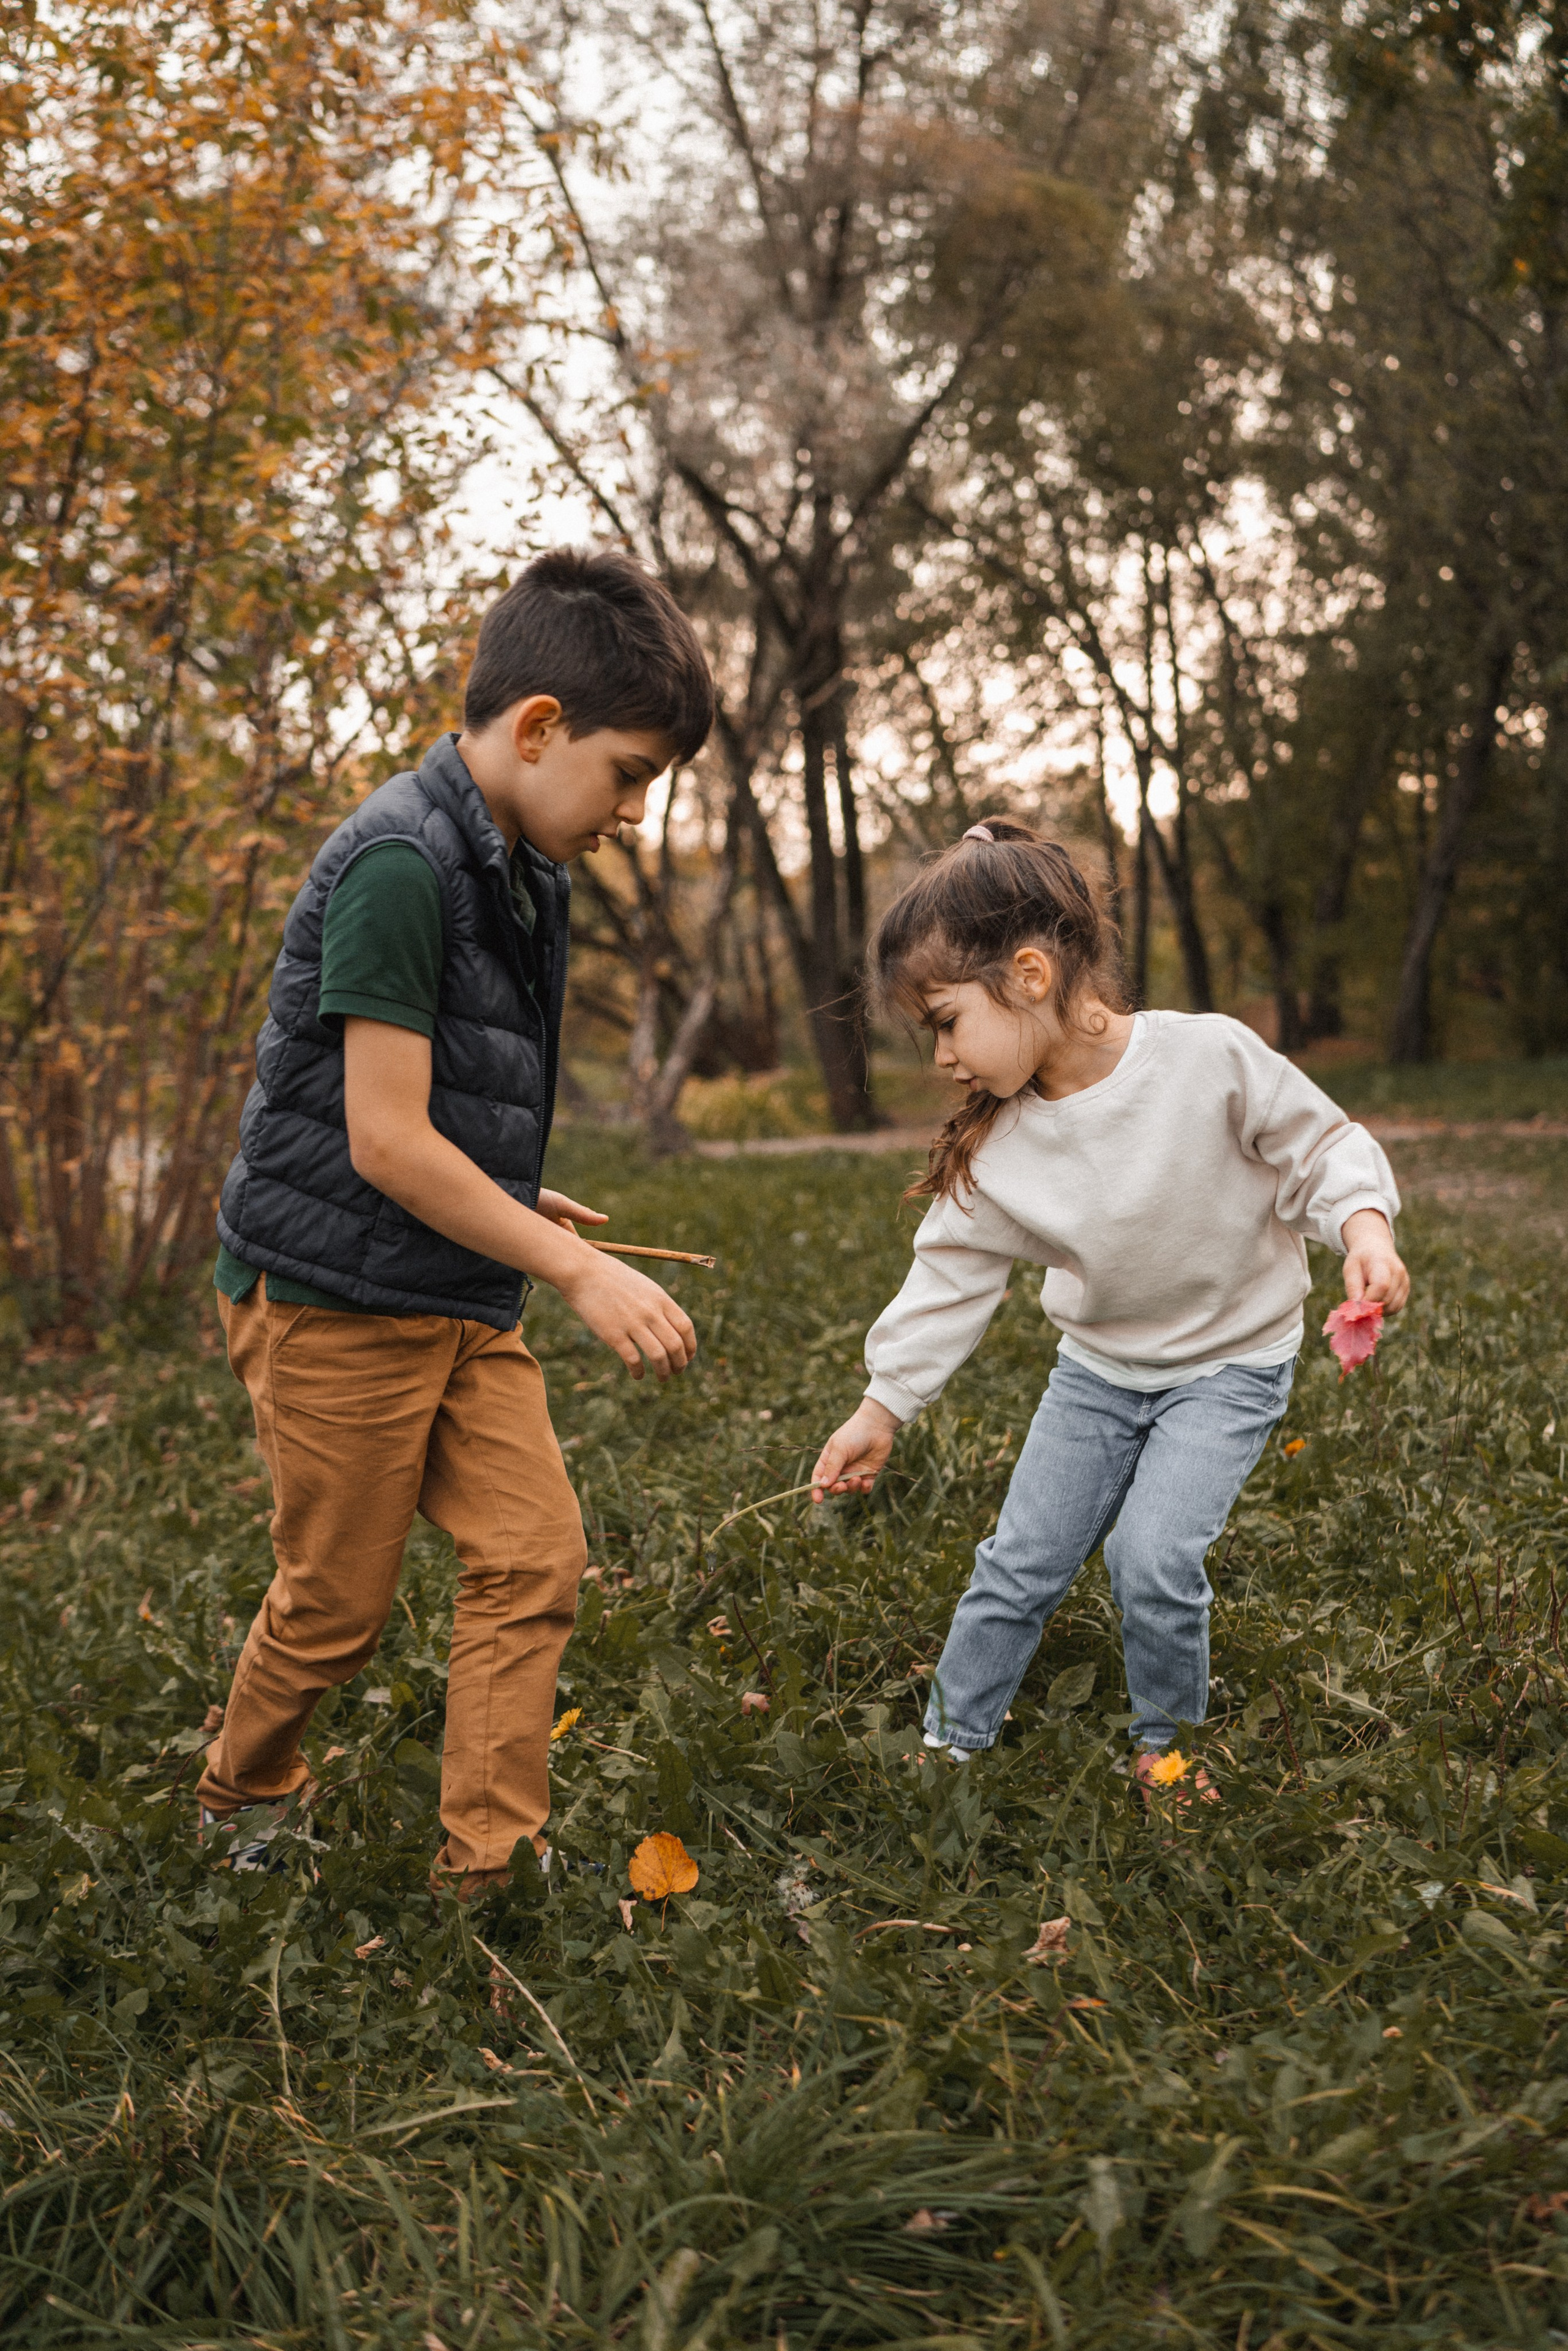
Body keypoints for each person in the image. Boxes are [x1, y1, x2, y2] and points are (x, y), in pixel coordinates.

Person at [197, 547, 714, 1890]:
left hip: (448, 1288)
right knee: (333, 1608)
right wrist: (574, 1266)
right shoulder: (398, 864)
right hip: (327, 1299)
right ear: (539, 728)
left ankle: (488, 1867)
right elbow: (377, 1137)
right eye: (631, 773)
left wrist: (503, 1188)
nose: (635, 813)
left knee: (534, 1557)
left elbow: (424, 1109)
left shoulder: (518, 869)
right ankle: (239, 1787)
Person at [810, 820, 1408, 1800]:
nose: (945, 1058)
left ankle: (1165, 1749)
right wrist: (880, 1410)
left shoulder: (1207, 1057)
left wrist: (1366, 1230)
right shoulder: (1001, 1146)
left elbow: (1319, 1147)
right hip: (1098, 1376)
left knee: (1152, 1556)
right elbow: (946, 1280)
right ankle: (950, 1747)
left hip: (1230, 1367)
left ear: (1032, 973)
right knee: (1021, 1560)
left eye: (949, 1021)